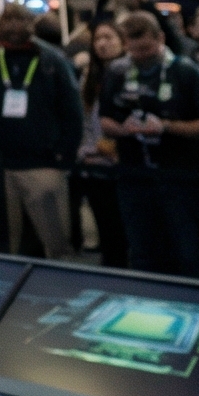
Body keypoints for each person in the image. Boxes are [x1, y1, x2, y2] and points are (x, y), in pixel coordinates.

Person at [98, 11, 199, 279]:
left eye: (147, 48)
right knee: (143, 251)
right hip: (134, 176)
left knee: (189, 251)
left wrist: (166, 126)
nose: (140, 55)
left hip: (180, 177)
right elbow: (104, 120)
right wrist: (124, 129)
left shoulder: (188, 73)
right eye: (133, 48)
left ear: (161, 38)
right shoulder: (117, 72)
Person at [0, 3, 82, 259]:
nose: (14, 27)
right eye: (8, 20)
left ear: (32, 25)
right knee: (2, 243)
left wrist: (62, 156)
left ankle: (61, 290)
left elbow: (71, 110)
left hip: (42, 164)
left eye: (20, 20)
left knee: (56, 241)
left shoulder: (52, 60)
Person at [69, 19, 130, 269]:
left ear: (123, 42)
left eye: (109, 38)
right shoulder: (89, 77)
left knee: (128, 227)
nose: (102, 44)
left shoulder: (130, 72)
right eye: (97, 39)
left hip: (124, 164)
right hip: (95, 164)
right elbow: (84, 120)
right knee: (106, 228)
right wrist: (86, 150)